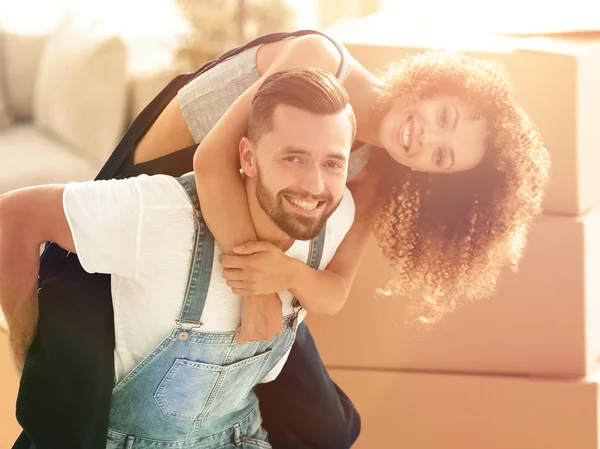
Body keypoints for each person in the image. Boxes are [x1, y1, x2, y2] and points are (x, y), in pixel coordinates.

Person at [7, 29, 549, 449]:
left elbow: (334, 291)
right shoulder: (318, 58)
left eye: (441, 157)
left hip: (248, 244)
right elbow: (214, 164)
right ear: (434, 85)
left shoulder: (380, 167)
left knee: (329, 427)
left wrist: (286, 277)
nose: (425, 139)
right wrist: (258, 294)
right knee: (65, 420)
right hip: (156, 205)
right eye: (443, 117)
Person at [1, 67, 356, 448]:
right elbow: (13, 216)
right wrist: (27, 354)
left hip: (242, 435)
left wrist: (291, 274)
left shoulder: (331, 222)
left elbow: (334, 295)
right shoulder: (164, 216)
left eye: (333, 163)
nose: (316, 186)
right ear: (248, 158)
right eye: (294, 159)